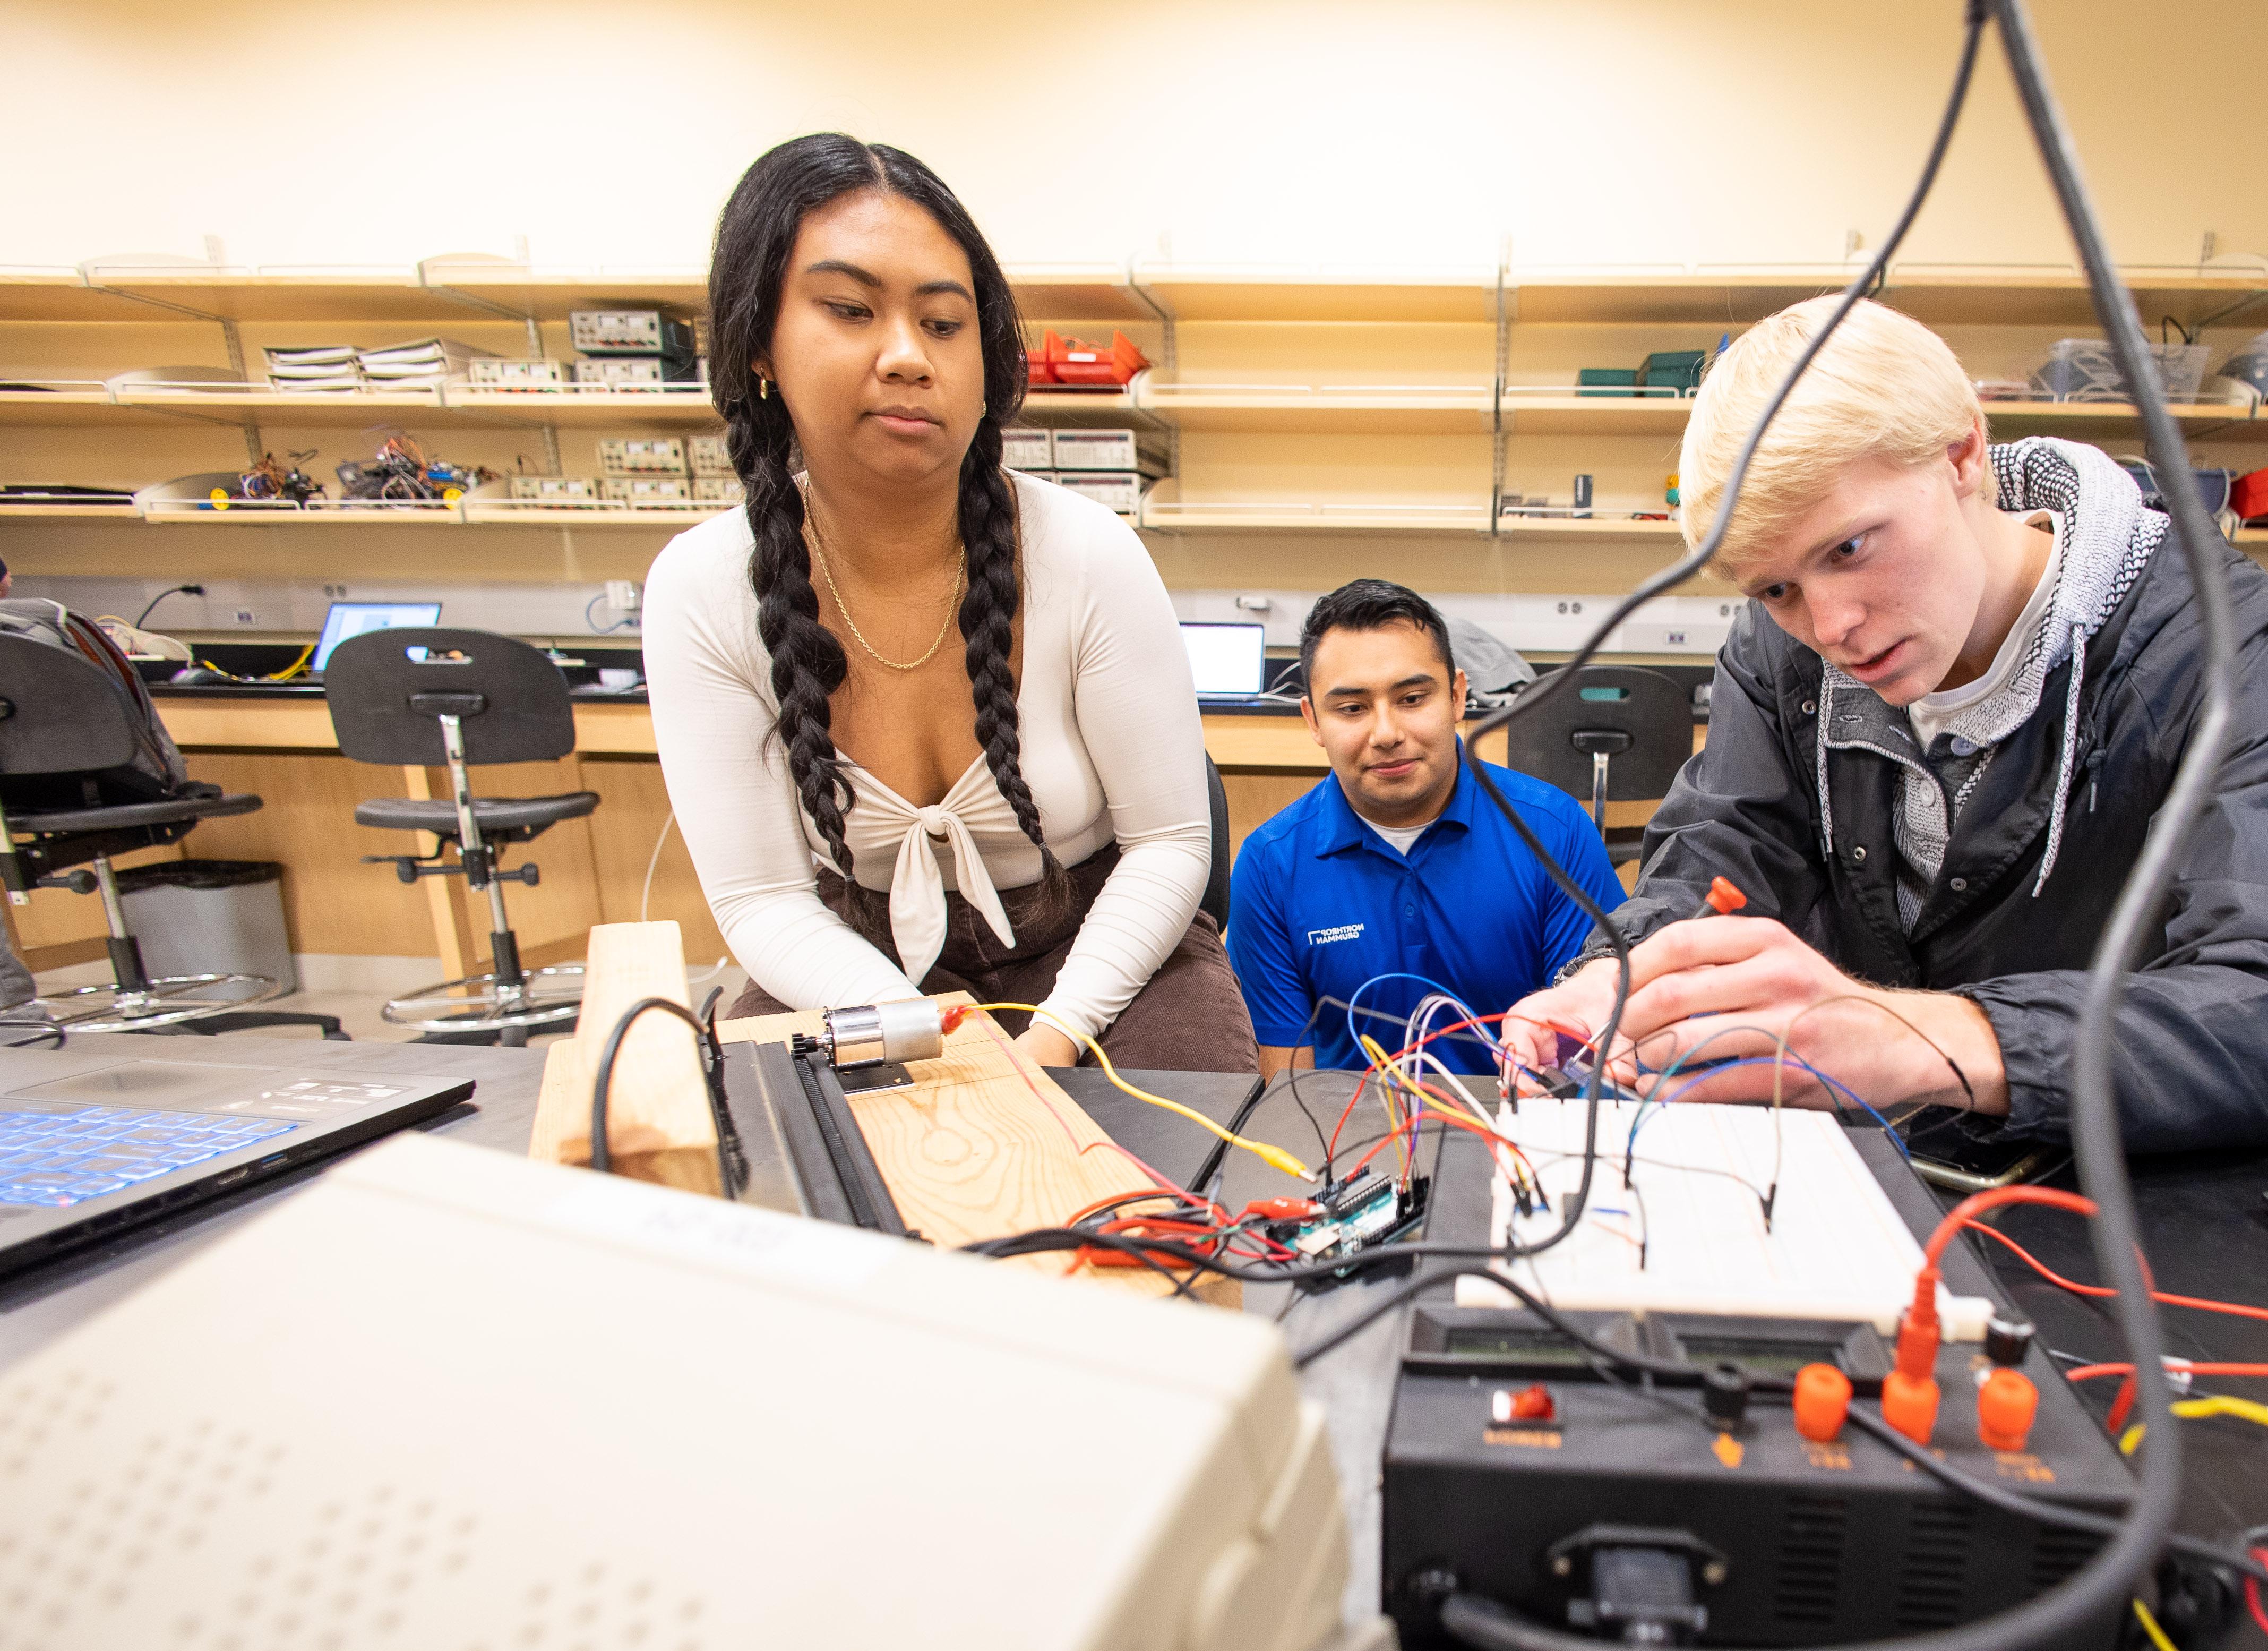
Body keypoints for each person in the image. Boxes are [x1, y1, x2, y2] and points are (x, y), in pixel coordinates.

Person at [1500, 298, 2268, 1156]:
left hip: (2108, 1182)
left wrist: (1906, 1035)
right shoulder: (1783, 652)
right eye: (1775, 589)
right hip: (1857, 1161)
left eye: (1849, 548)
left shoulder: (2234, 651)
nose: (1830, 625)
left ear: (1963, 452)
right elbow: (1722, 853)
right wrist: (1625, 980)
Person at [646, 134, 1252, 1072]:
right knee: (789, 1178)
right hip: (845, 965)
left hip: (1101, 958)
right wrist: (935, 1038)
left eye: (942, 323)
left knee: (1161, 1185)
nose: (906, 357)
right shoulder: (701, 589)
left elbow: (1170, 844)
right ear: (760, 342)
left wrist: (1052, 1037)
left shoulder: (1088, 555)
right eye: (849, 310)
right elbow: (763, 900)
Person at [1225, 579, 1626, 1077]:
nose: (1388, 733)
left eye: (1412, 699)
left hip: (1518, 1128)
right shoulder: (1269, 866)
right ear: (1313, 720)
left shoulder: (1553, 833)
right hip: (1347, 1141)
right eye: (1351, 708)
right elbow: (1285, 1088)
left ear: (1458, 696)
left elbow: (1581, 1054)